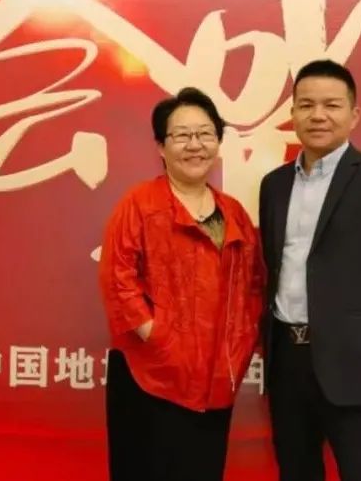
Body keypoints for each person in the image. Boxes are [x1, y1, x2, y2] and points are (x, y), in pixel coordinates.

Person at [258, 60, 361, 481]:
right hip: (287, 360)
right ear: (292, 114)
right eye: (306, 105)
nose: (318, 115)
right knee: (295, 471)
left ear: (354, 115)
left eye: (331, 105)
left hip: (355, 360)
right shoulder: (274, 185)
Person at [98, 87, 265, 481]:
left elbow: (253, 286)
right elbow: (118, 278)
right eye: (182, 135)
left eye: (205, 134)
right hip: (149, 372)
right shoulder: (139, 204)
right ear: (161, 146)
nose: (195, 145)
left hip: (215, 378)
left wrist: (240, 345)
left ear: (218, 142)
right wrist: (157, 336)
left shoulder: (234, 213)